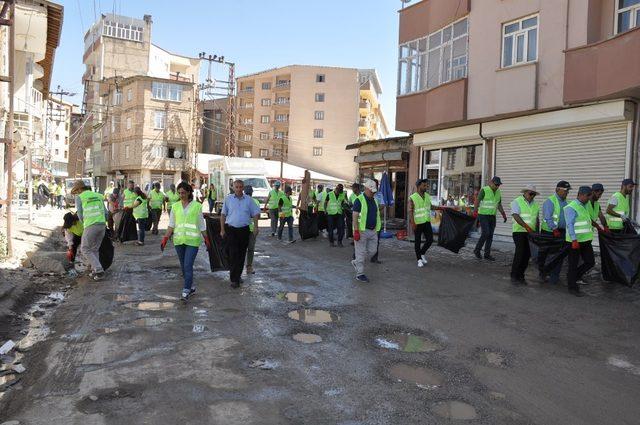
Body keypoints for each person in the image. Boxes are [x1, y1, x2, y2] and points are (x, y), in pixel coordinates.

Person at [161, 181, 210, 301]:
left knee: (188, 265)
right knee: (183, 267)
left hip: (192, 242)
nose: (181, 195)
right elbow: (171, 225)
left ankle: (186, 290)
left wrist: (207, 240)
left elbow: (201, 225)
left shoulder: (197, 206)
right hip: (179, 241)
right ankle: (191, 286)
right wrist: (165, 238)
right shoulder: (175, 207)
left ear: (189, 192)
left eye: (183, 193)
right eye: (179, 193)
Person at [220, 179, 261, 288]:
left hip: (244, 230)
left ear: (243, 188)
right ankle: (234, 279)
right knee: (233, 253)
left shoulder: (249, 200)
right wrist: (222, 229)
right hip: (231, 230)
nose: (238, 189)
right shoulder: (228, 199)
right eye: (236, 187)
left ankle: (237, 276)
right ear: (233, 188)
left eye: (240, 187)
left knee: (241, 254)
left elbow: (256, 213)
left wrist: (256, 227)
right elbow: (223, 215)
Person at [564, 186, 597, 297]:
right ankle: (572, 287)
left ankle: (574, 276)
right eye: (588, 196)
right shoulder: (571, 207)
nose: (589, 198)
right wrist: (574, 239)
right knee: (573, 264)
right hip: (575, 241)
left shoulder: (585, 205)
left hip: (585, 240)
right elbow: (570, 224)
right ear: (580, 194)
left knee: (590, 261)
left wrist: (597, 226)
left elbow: (587, 220)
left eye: (590, 196)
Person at [72, 180, 107, 280]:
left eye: (76, 191)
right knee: (94, 249)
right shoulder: (98, 195)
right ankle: (95, 270)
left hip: (91, 225)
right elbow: (106, 212)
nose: (76, 193)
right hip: (101, 224)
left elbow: (80, 214)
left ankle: (99, 270)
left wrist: (84, 224)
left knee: (85, 248)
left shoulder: (80, 197)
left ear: (79, 189)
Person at [538, 181, 571, 284]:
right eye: (565, 190)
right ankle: (543, 273)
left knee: (558, 255)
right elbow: (547, 217)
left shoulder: (567, 202)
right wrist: (554, 229)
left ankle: (554, 276)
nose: (567, 193)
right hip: (549, 232)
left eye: (568, 191)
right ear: (557, 190)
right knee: (546, 254)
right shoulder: (550, 201)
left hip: (561, 232)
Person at [350, 179, 381, 283]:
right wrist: (356, 231)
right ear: (366, 189)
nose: (373, 192)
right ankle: (360, 274)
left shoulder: (375, 200)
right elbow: (354, 216)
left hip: (373, 230)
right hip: (362, 230)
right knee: (360, 253)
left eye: (374, 190)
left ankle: (357, 261)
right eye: (371, 190)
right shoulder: (359, 200)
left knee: (373, 251)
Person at [408, 179, 442, 268]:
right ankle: (419, 259)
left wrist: (440, 208)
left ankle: (422, 253)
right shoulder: (413, 197)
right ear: (419, 186)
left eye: (426, 186)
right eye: (424, 186)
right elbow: (410, 211)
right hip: (417, 223)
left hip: (426, 221)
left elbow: (430, 206)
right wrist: (412, 223)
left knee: (430, 240)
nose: (426, 187)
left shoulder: (427, 196)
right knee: (418, 241)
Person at [510, 184, 540, 285]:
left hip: (531, 233)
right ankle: (514, 276)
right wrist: (526, 227)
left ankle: (521, 275)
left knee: (527, 255)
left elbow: (536, 219)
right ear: (525, 192)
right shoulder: (516, 201)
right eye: (531, 194)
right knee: (520, 253)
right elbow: (516, 216)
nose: (532, 196)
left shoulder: (536, 205)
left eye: (534, 194)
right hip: (519, 232)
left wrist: (536, 232)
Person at [473, 176, 507, 261]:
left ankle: (487, 254)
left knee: (490, 235)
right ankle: (477, 250)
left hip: (492, 216)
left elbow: (498, 204)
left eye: (498, 185)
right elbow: (477, 200)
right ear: (491, 183)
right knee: (486, 233)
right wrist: (475, 211)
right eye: (496, 184)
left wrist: (503, 214)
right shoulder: (484, 190)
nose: (497, 186)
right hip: (483, 215)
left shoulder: (498, 192)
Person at [244, 185, 261, 274]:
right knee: (248, 249)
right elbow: (257, 215)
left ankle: (248, 267)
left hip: (249, 229)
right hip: (245, 229)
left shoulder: (254, 202)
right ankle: (247, 267)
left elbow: (257, 215)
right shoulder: (242, 201)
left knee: (248, 249)